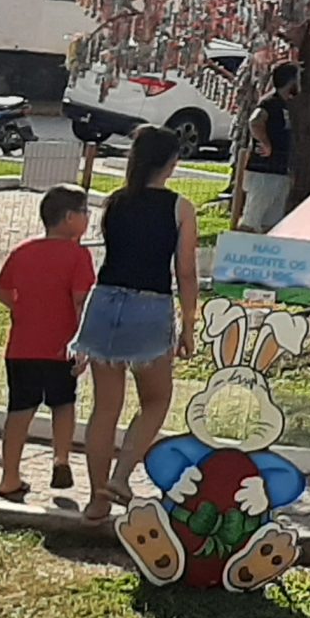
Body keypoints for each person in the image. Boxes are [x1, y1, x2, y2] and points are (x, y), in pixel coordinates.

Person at [73, 125, 198, 523]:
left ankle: (96, 499)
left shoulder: (116, 202)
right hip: (150, 305)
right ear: (171, 162)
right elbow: (187, 272)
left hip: (105, 301)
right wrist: (189, 323)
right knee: (157, 399)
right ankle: (122, 477)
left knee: (104, 408)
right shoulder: (180, 207)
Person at [0, 185, 95, 501]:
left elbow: (1, 290)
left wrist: (23, 308)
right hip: (60, 346)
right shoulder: (79, 255)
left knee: (19, 410)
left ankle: (9, 476)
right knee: (63, 404)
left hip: (22, 347)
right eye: (85, 212)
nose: (88, 218)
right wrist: (84, 344)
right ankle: (60, 459)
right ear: (69, 218)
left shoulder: (22, 251)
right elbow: (82, 301)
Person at [238, 64, 295, 233]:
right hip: (264, 169)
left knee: (272, 222)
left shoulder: (287, 104)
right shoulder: (270, 102)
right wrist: (265, 143)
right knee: (251, 219)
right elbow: (254, 121)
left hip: (279, 170)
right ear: (291, 81)